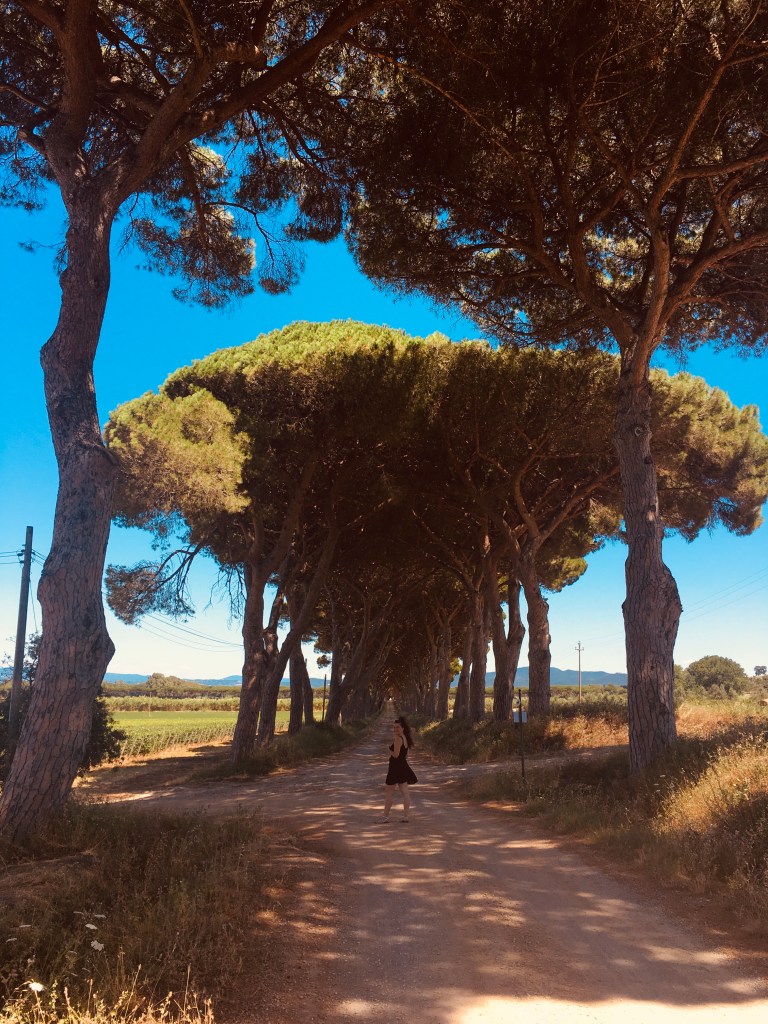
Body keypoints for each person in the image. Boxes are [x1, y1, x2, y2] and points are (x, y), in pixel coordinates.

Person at [380, 715, 417, 822]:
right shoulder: (405, 738)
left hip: (395, 767)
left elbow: (395, 755)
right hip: (403, 766)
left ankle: (385, 817)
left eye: (398, 727)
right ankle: (406, 816)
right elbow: (405, 755)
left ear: (403, 728)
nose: (395, 729)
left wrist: (388, 749)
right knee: (405, 792)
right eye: (394, 727)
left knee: (389, 792)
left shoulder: (398, 738)